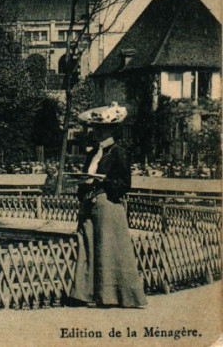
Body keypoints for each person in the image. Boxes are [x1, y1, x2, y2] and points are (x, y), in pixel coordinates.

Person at [69, 102, 147, 308]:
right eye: (95, 128)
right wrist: (84, 185)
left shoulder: (119, 152)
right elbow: (88, 177)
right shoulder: (93, 153)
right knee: (86, 244)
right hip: (90, 202)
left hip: (108, 204)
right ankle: (84, 293)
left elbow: (124, 184)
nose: (96, 132)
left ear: (111, 129)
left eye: (100, 129)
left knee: (108, 248)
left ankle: (113, 295)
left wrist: (101, 181)